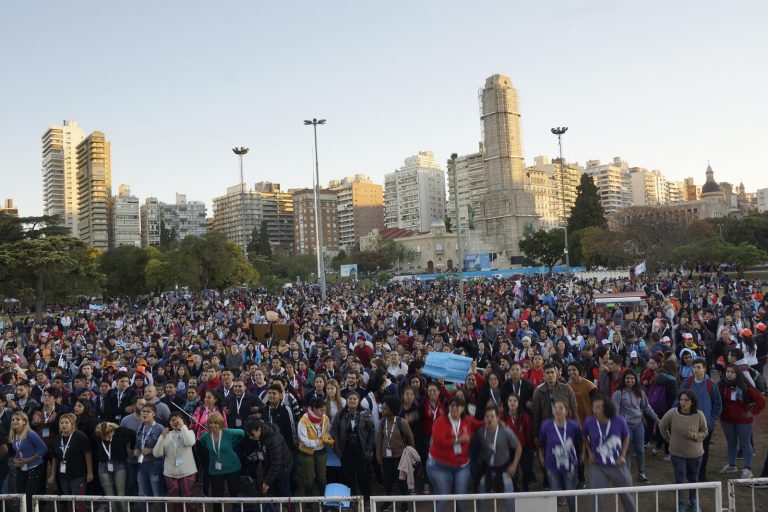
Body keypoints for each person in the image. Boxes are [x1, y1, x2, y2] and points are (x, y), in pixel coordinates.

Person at [427, 396, 481, 512]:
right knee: (443, 498)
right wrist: (459, 439)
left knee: (461, 499)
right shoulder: (440, 421)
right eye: (452, 406)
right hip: (439, 465)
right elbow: (439, 442)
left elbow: (481, 424)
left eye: (458, 406)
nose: (455, 408)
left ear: (463, 408)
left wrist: (498, 420)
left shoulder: (468, 420)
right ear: (449, 408)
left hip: (462, 466)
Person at [658, 390, 709, 512]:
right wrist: (669, 439)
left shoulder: (699, 415)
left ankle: (693, 502)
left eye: (686, 400)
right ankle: (681, 504)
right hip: (677, 454)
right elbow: (662, 426)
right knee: (680, 479)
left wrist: (695, 436)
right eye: (681, 400)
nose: (683, 402)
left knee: (693, 479)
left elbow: (705, 432)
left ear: (692, 402)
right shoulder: (672, 413)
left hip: (695, 454)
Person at [582, 394, 635, 512]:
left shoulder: (619, 420)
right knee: (597, 496)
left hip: (617, 463)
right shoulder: (589, 421)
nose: (594, 410)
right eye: (593, 407)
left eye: (598, 407)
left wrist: (623, 455)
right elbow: (584, 437)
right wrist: (589, 453)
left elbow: (626, 437)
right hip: (597, 465)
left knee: (627, 492)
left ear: (606, 408)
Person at [717, 364, 766, 478]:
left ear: (737, 374)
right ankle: (732, 465)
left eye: (732, 372)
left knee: (745, 444)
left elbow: (761, 401)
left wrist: (752, 412)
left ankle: (747, 469)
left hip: (744, 422)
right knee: (731, 443)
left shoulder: (745, 387)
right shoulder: (721, 385)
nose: (729, 374)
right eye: (728, 371)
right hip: (726, 420)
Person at [679, 358, 722, 482]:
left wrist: (712, 418)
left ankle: (701, 474)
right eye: (694, 367)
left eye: (698, 367)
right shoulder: (686, 383)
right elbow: (678, 399)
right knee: (688, 449)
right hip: (687, 422)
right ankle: (689, 474)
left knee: (704, 449)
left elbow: (718, 403)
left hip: (705, 424)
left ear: (704, 368)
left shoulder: (711, 384)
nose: (695, 370)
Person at [612, 369, 658, 483]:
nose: (630, 380)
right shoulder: (618, 393)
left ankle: (641, 473)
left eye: (632, 378)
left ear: (635, 379)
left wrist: (657, 419)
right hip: (625, 426)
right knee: (626, 451)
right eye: (627, 378)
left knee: (640, 450)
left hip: (638, 425)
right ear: (624, 379)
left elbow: (646, 407)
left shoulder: (640, 392)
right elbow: (615, 412)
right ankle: (626, 476)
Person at [474, 405, 521, 512]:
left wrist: (514, 466)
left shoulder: (505, 431)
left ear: (498, 418)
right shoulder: (480, 432)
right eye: (487, 416)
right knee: (480, 500)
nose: (489, 419)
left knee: (510, 501)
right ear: (484, 419)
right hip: (487, 470)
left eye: (492, 416)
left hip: (504, 469)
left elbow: (518, 446)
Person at [539, 401, 581, 512]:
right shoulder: (546, 425)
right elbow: (542, 443)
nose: (557, 410)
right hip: (552, 464)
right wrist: (541, 456)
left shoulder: (574, 426)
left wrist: (581, 456)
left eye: (561, 408)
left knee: (571, 491)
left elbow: (580, 442)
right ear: (552, 411)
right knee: (554, 492)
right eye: (555, 408)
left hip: (570, 464)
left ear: (566, 411)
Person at [331, 391, 374, 499]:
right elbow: (334, 431)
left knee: (363, 476)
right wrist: (337, 448)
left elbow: (371, 431)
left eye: (355, 399)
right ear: (347, 400)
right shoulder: (340, 414)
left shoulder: (365, 413)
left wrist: (369, 448)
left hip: (361, 449)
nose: (352, 401)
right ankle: (350, 500)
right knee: (348, 477)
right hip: (346, 450)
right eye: (350, 398)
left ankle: (367, 500)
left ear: (358, 401)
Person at [199, 411, 245, 512]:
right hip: (215, 469)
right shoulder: (205, 436)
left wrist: (233, 443)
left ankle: (236, 510)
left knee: (234, 493)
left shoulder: (227, 432)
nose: (213, 425)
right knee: (216, 494)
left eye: (215, 423)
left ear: (220, 423)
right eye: (210, 423)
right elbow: (202, 442)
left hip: (232, 467)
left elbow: (242, 433)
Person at [47, 413, 93, 512]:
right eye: (62, 423)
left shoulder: (80, 436)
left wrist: (90, 472)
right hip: (63, 476)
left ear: (72, 424)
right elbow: (54, 458)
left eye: (67, 422)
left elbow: (87, 454)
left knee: (79, 501)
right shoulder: (58, 438)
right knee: (69, 501)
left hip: (78, 475)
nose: (64, 425)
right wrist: (52, 475)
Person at [152, 412, 197, 512]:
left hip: (188, 472)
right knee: (175, 500)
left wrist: (183, 426)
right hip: (170, 473)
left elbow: (189, 442)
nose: (175, 422)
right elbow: (157, 453)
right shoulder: (166, 435)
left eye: (178, 420)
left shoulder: (189, 432)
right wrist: (162, 437)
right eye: (172, 420)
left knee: (188, 497)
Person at [375, 395, 414, 507]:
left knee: (402, 480)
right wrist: (378, 455)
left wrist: (410, 456)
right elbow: (379, 440)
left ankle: (404, 503)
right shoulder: (382, 422)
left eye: (385, 408)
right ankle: (388, 500)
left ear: (393, 409)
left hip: (400, 457)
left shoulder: (402, 422)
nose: (383, 410)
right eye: (382, 408)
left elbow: (410, 439)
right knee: (388, 480)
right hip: (386, 457)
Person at [243, 418, 293, 502]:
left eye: (252, 434)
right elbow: (265, 451)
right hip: (272, 469)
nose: (250, 437)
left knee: (285, 495)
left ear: (259, 429)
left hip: (282, 470)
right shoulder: (263, 434)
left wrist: (267, 482)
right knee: (272, 495)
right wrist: (257, 455)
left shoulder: (273, 439)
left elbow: (276, 463)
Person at [9, 411, 48, 511]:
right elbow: (20, 450)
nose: (14, 421)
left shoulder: (31, 434)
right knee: (21, 494)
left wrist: (27, 460)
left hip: (35, 467)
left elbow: (44, 449)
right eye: (13, 420)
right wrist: (16, 459)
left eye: (18, 419)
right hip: (22, 468)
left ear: (24, 422)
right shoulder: (14, 435)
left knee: (29, 496)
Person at [297, 397, 334, 496]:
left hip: (321, 451)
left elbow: (327, 430)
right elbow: (304, 441)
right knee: (308, 478)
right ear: (314, 408)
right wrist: (320, 441)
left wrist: (328, 438)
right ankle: (309, 501)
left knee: (322, 477)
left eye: (324, 410)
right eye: (321, 410)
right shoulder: (303, 420)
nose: (323, 412)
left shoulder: (325, 418)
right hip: (307, 452)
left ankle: (324, 500)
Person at [94, 422, 132, 512]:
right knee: (109, 494)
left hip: (119, 465)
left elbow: (132, 434)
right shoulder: (97, 435)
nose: (107, 438)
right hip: (103, 466)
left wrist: (131, 448)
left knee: (121, 492)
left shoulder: (119, 432)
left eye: (109, 434)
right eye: (104, 436)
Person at [134, 403, 165, 506]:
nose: (145, 414)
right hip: (142, 465)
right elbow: (138, 444)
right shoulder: (140, 427)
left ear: (154, 414)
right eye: (144, 411)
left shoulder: (159, 428)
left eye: (148, 412)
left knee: (157, 494)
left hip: (155, 464)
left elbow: (165, 448)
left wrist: (151, 450)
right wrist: (136, 450)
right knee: (142, 494)